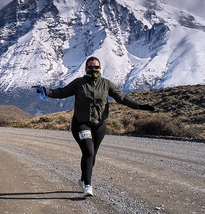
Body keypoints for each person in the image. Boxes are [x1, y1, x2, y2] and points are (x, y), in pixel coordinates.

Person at [34, 56, 155, 197]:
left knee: (92, 155)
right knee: (89, 152)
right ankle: (88, 186)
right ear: (86, 68)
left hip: (99, 125)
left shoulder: (106, 84)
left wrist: (139, 106)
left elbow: (121, 97)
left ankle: (83, 179)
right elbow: (62, 92)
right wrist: (46, 91)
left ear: (100, 68)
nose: (93, 69)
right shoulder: (79, 83)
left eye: (96, 67)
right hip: (81, 123)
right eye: (90, 67)